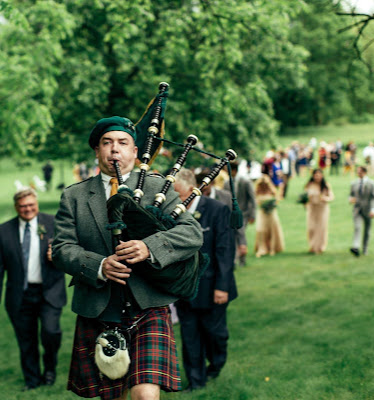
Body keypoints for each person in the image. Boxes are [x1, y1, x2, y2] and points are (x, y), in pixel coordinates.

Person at [52, 116, 203, 400]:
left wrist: (150, 247)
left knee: (145, 395)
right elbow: (61, 248)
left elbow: (192, 234)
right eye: (107, 143)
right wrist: (99, 265)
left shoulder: (157, 187)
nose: (114, 150)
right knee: (115, 397)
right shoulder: (74, 196)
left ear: (135, 151)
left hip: (148, 306)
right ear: (96, 150)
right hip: (100, 308)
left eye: (123, 143)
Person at [173, 169, 237, 391]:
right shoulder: (171, 214)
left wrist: (222, 287)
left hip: (213, 287)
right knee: (190, 337)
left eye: (178, 194)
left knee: (214, 334)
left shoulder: (217, 210)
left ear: (192, 190)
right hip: (184, 289)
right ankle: (196, 381)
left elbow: (225, 251)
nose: (175, 200)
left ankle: (217, 362)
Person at [0, 188, 66, 391]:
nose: (28, 209)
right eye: (23, 206)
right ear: (16, 207)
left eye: (31, 205)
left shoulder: (53, 223)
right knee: (26, 340)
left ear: (36, 204)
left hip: (50, 292)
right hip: (19, 295)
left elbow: (69, 254)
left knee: (50, 332)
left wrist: (57, 257)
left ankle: (50, 368)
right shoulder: (3, 231)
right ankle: (32, 380)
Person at [223, 161, 256, 266]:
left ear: (234, 170)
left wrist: (253, 215)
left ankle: (241, 258)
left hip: (244, 213)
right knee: (233, 235)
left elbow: (252, 199)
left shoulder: (245, 182)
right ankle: (235, 258)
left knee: (241, 233)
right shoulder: (226, 183)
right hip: (231, 215)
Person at [349, 166, 374, 256]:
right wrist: (350, 199)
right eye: (357, 172)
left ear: (364, 172)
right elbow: (350, 195)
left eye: (360, 172)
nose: (358, 173)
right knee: (357, 227)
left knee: (367, 230)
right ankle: (356, 247)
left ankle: (365, 249)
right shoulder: (353, 183)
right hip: (357, 209)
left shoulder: (371, 183)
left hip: (368, 210)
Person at [304, 169, 334, 254]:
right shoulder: (309, 185)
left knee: (321, 228)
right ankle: (312, 246)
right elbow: (305, 196)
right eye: (315, 175)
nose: (317, 177)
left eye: (319, 175)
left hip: (322, 208)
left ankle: (320, 247)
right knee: (311, 227)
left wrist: (325, 198)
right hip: (312, 208)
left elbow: (331, 197)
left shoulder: (325, 186)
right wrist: (305, 202)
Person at [254, 175, 284, 257]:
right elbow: (255, 201)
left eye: (265, 183)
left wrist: (272, 204)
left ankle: (272, 248)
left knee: (272, 230)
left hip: (271, 213)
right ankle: (262, 248)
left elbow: (277, 199)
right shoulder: (257, 191)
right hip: (262, 213)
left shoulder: (271, 191)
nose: (264, 185)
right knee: (261, 230)